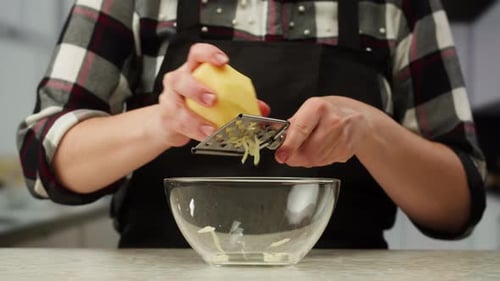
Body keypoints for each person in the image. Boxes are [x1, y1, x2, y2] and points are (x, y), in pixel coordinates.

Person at [17, 0, 486, 248]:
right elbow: (45, 159)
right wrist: (164, 122)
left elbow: (458, 205)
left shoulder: (402, 5)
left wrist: (371, 128)